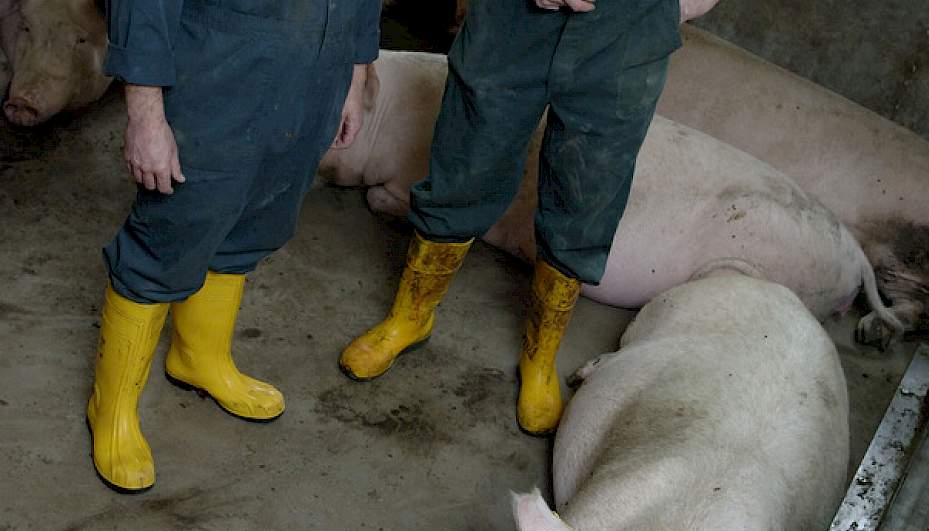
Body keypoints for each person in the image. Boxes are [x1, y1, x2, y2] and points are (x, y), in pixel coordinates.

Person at [339, 0, 720, 436]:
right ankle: (410, 315)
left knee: (589, 185)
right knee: (469, 154)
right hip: (515, 16)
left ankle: (541, 355)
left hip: (626, 27)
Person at [89, 0, 381, 492]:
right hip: (216, 75)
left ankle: (199, 357)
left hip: (314, 76)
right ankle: (111, 407)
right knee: (171, 233)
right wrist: (145, 115)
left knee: (255, 222)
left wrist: (354, 75)